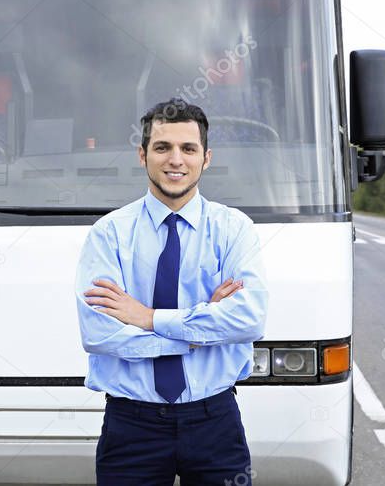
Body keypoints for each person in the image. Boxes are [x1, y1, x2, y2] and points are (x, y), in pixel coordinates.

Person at [75, 98, 269, 485]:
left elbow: (249, 319)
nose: (175, 160)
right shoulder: (109, 234)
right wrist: (200, 333)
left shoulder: (234, 229)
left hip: (215, 422)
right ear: (142, 154)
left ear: (206, 158)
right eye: (163, 148)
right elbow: (99, 334)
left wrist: (147, 318)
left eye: (188, 149)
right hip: (131, 426)